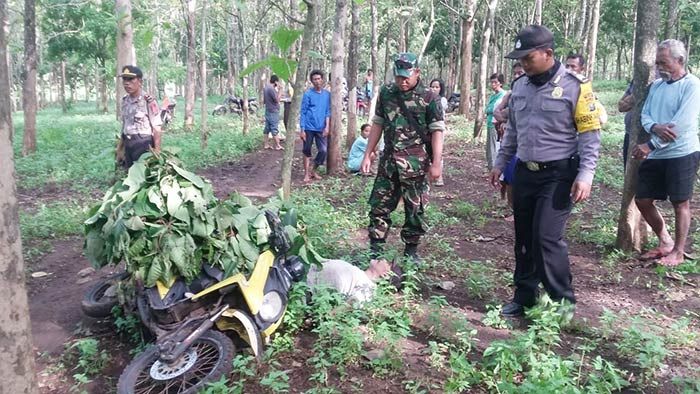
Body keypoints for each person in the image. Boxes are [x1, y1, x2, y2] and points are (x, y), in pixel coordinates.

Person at [488, 25, 602, 317]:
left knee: (546, 237)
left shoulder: (576, 86)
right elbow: (513, 130)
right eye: (520, 59)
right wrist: (500, 163)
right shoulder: (520, 87)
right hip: (525, 171)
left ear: (548, 54)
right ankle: (524, 296)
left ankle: (562, 302)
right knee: (524, 236)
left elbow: (589, 135)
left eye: (528, 57)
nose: (523, 64)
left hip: (559, 174)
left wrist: (585, 175)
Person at [360, 53, 445, 263]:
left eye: (406, 76)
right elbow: (378, 123)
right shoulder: (387, 93)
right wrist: (368, 154)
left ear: (417, 73)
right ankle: (376, 249)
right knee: (379, 205)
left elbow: (437, 131)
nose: (402, 81)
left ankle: (411, 250)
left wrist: (436, 163)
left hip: (415, 163)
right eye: (398, 76)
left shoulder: (429, 97)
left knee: (415, 207)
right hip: (388, 162)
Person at [631, 39, 700, 267]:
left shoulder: (692, 85)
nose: (659, 67)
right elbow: (645, 115)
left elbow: (680, 126)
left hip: (682, 153)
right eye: (657, 63)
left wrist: (649, 145)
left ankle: (678, 252)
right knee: (642, 199)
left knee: (680, 202)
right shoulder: (657, 86)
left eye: (664, 62)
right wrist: (654, 127)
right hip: (657, 154)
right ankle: (666, 241)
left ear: (679, 61)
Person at [118, 65, 162, 169]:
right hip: (128, 144)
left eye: (131, 79)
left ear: (140, 82)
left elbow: (157, 127)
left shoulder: (148, 101)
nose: (126, 83)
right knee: (129, 176)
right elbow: (125, 125)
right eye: (124, 79)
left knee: (141, 178)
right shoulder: (125, 101)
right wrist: (120, 148)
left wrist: (157, 150)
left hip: (143, 144)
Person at [306, 258, 402, 304]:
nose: (384, 259)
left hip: (305, 289)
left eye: (388, 263)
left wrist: (322, 318)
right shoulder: (358, 272)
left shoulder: (369, 287)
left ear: (385, 275)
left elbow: (352, 304)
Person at [300, 70, 331, 183]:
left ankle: (314, 170)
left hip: (321, 127)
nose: (317, 81)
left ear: (322, 79)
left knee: (323, 150)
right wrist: (302, 129)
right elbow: (303, 112)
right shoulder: (308, 94)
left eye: (319, 79)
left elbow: (328, 111)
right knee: (307, 150)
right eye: (315, 79)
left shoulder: (327, 95)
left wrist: (327, 126)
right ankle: (306, 174)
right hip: (308, 127)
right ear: (312, 81)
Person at [565, 53, 609, 125]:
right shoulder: (558, 84)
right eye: (567, 66)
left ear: (582, 69)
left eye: (573, 66)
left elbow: (601, 118)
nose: (569, 69)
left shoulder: (583, 86)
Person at [485, 73, 507, 171]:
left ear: (500, 83)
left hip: (497, 125)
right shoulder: (493, 96)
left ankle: (494, 169)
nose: (493, 84)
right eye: (492, 82)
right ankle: (491, 167)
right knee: (489, 148)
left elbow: (494, 110)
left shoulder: (504, 95)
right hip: (490, 123)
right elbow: (488, 109)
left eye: (495, 82)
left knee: (494, 148)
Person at [429, 78, 448, 186]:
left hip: (439, 129)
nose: (434, 89)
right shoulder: (426, 99)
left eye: (437, 87)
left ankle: (439, 176)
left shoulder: (442, 100)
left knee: (438, 152)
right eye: (432, 86)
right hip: (429, 129)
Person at [263, 75, 283, 150]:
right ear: (276, 82)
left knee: (267, 128)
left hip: (268, 109)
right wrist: (280, 90)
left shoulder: (266, 88)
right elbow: (277, 100)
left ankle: (266, 144)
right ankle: (278, 145)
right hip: (273, 111)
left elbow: (264, 101)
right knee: (274, 128)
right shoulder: (271, 89)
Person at [618, 81, 635, 169]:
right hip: (629, 133)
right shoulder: (636, 80)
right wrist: (634, 97)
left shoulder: (660, 80)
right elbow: (621, 106)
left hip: (649, 138)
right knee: (628, 169)